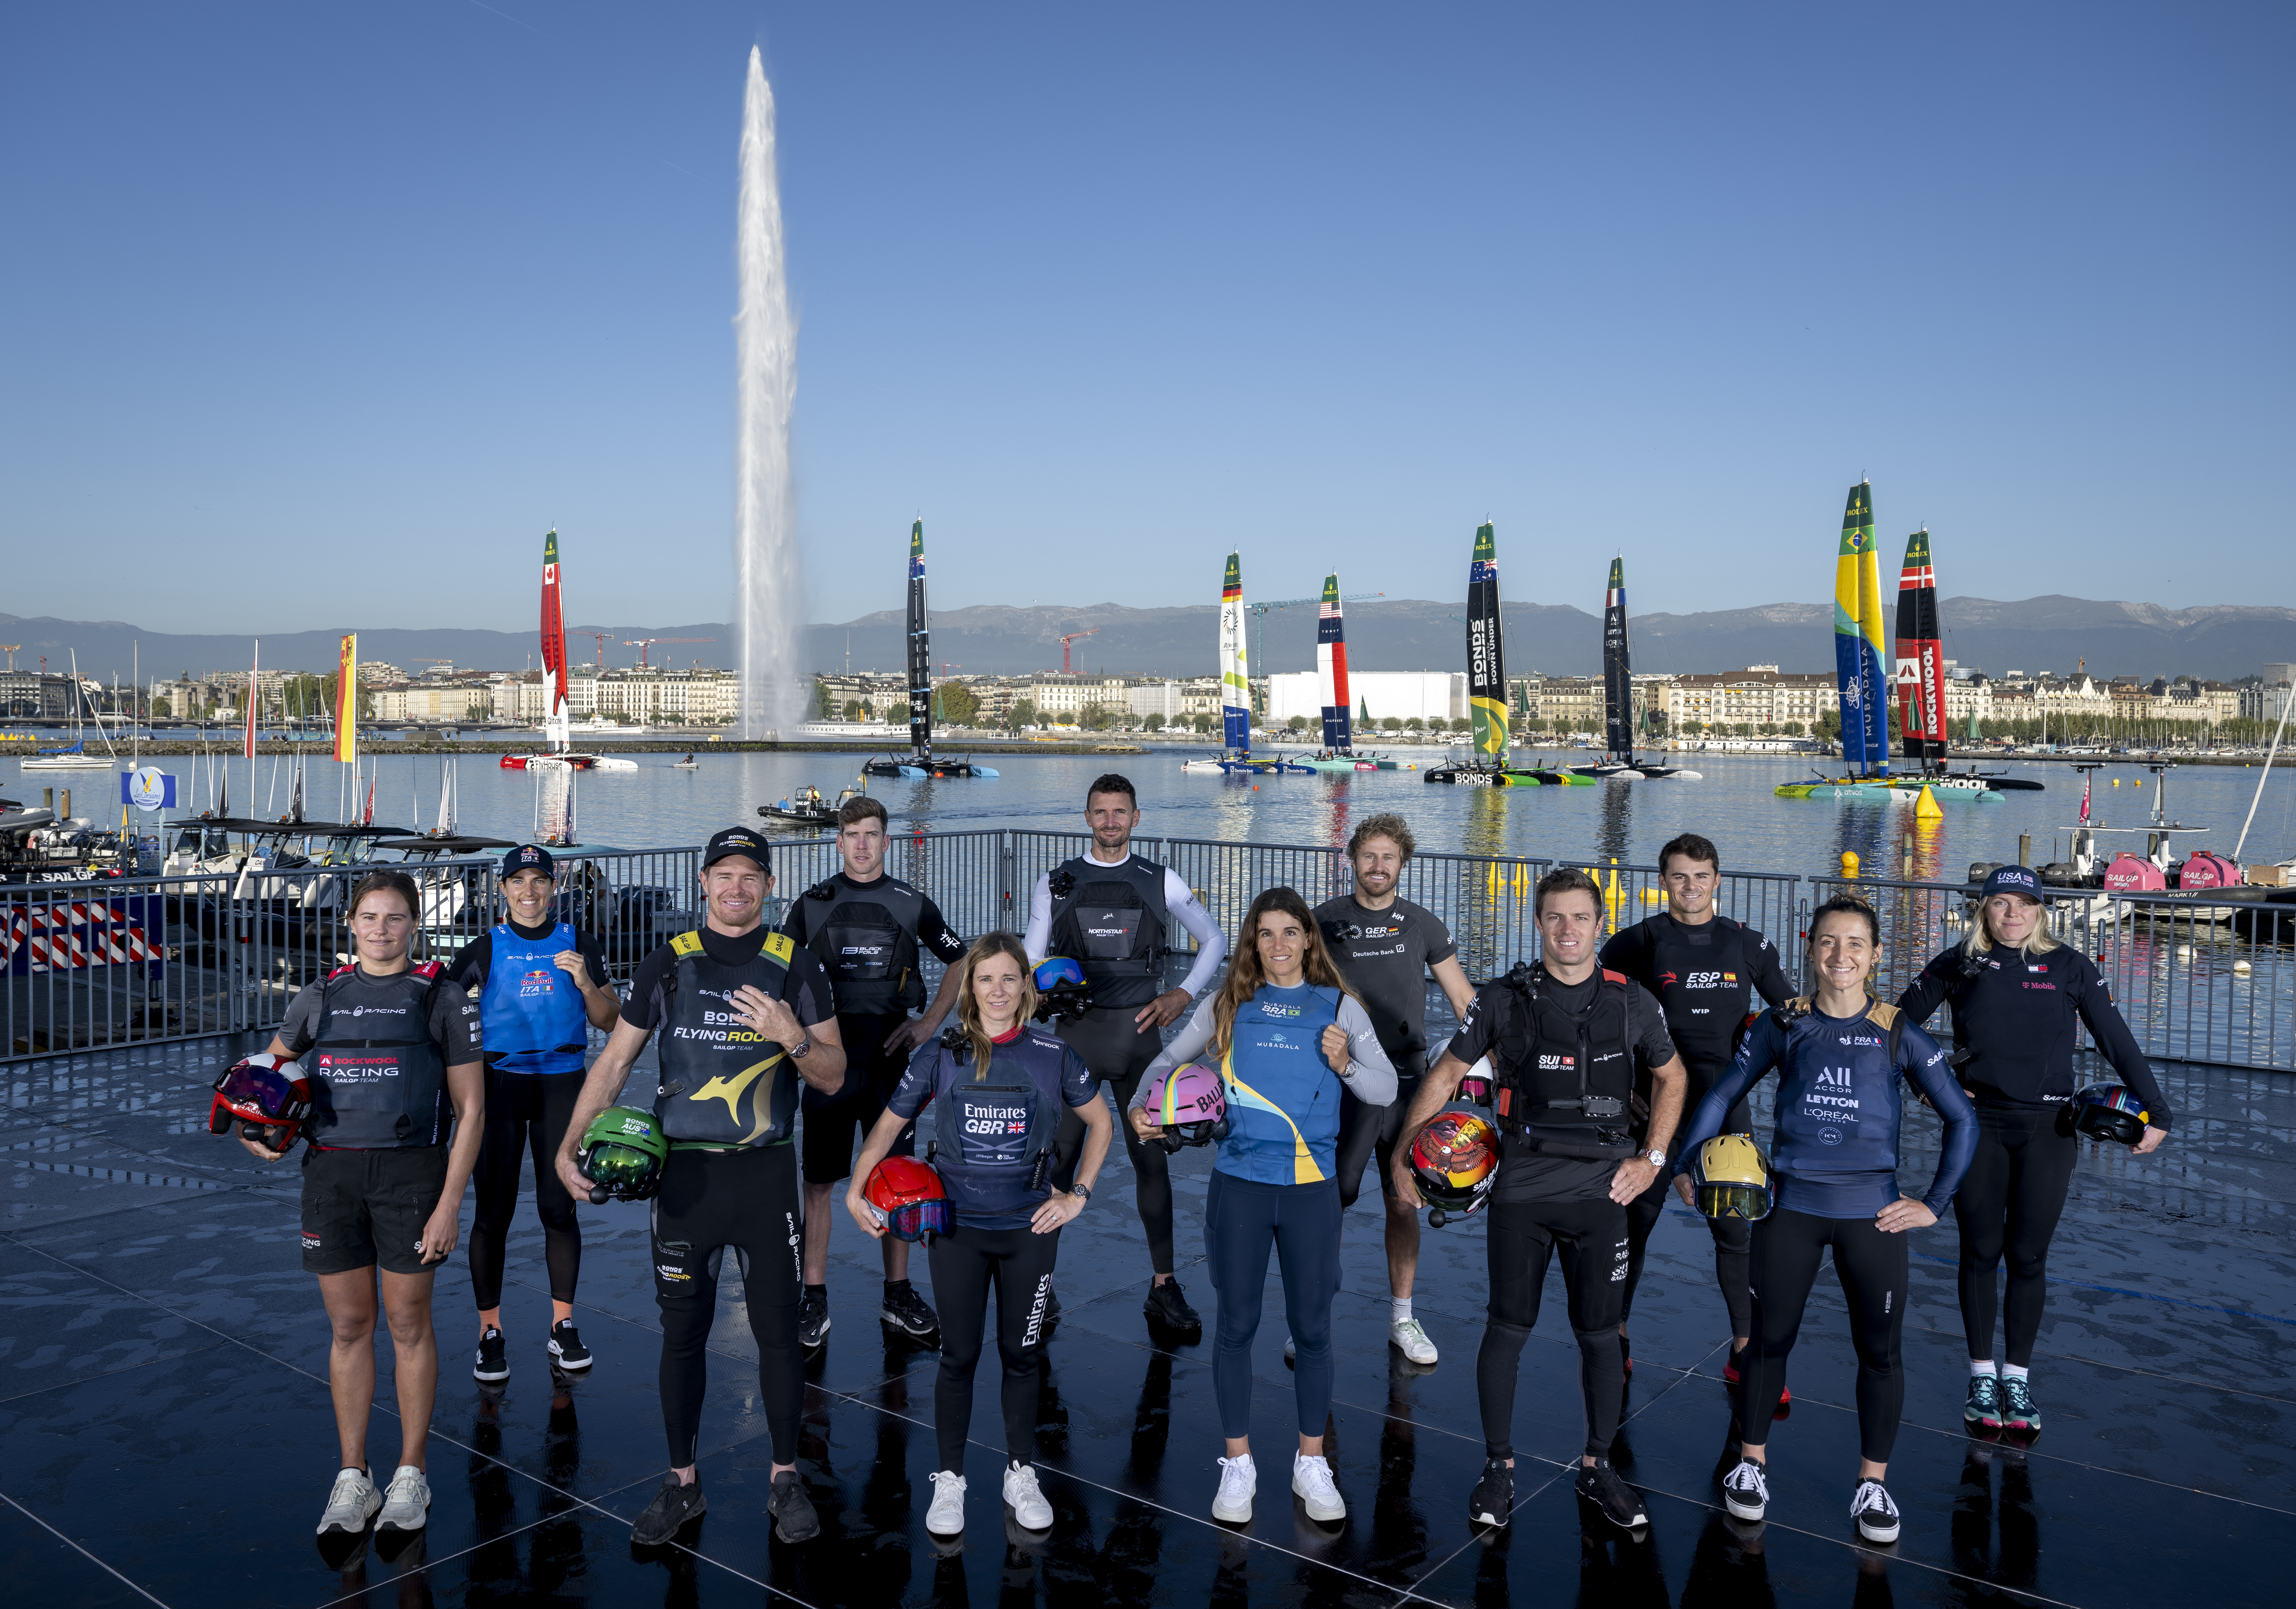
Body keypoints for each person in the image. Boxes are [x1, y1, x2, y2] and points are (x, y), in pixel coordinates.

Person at [552, 826, 848, 1547]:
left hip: (765, 1176)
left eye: (751, 875)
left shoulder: (796, 964)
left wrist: (791, 1035)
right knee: (682, 1332)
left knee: (778, 1333)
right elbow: (615, 1063)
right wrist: (569, 1145)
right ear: (704, 881)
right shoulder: (670, 961)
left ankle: (785, 1477)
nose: (736, 887)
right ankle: (682, 1482)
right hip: (686, 1180)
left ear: (769, 885)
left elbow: (834, 1075)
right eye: (724, 874)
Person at [1394, 868, 1687, 1533]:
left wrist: (1651, 1160)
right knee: (1507, 1329)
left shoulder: (1632, 1001)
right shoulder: (1504, 999)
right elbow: (1446, 1072)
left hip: (1602, 1192)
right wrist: (1404, 1148)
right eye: (1554, 916)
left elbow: (1671, 1077)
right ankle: (1498, 1467)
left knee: (1600, 1337)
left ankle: (1598, 1466)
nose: (1567, 929)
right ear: (1538, 923)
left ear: (1599, 924)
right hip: (1522, 1189)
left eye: (1580, 917)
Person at [1683, 893, 1978, 1546]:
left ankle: (1873, 1483)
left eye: (1854, 944)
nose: (1840, 955)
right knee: (1767, 1342)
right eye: (1827, 941)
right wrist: (1686, 1163)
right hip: (1791, 1211)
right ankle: (1751, 1464)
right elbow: (1722, 1093)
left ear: (1875, 956)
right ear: (1810, 949)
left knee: (1880, 1353)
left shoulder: (1899, 1032)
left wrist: (1933, 1203)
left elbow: (1963, 1118)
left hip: (1873, 1218)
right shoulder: (1781, 1024)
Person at [1131, 886, 1395, 1525]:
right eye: (1265, 933)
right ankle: (1238, 1462)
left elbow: (1385, 1087)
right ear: (1252, 941)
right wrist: (1144, 1105)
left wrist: (1345, 1064)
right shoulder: (1228, 1003)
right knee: (1237, 1326)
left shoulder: (1339, 1006)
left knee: (1313, 1329)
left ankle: (1311, 1461)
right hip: (1240, 1187)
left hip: (1310, 1191)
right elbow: (1165, 1060)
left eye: (1290, 932)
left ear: (1308, 939)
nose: (1278, 945)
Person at [244, 869, 486, 1537]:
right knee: (350, 1327)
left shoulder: (442, 998)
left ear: (415, 924)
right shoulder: (320, 996)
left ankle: (411, 1471)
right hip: (333, 1177)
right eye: (370, 917)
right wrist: (253, 1126)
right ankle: (353, 1475)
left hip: (412, 1177)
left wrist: (449, 1203)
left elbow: (472, 1112)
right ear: (351, 922)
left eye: (395, 917)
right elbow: (270, 1075)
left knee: (408, 1324)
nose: (382, 929)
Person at [848, 932, 1113, 1538]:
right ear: (970, 986)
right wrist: (856, 1189)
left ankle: (1021, 1472)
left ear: (1025, 987)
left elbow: (1101, 1123)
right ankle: (950, 1479)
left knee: (1022, 1356)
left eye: (1009, 978)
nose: (998, 990)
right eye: (986, 978)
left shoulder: (1053, 1053)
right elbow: (888, 1126)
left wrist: (1078, 1195)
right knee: (958, 1356)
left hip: (1030, 1231)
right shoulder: (942, 1054)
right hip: (958, 1231)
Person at [1896, 865, 2172, 1436]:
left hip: (2049, 1130)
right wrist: (1928, 1086)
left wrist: (2157, 1109)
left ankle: (2017, 1379)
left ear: (2041, 911)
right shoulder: (1959, 963)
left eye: (2024, 903)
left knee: (2028, 1257)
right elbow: (1896, 1028)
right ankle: (1981, 1375)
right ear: (1984, 908)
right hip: (1977, 1127)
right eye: (2001, 902)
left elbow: (2116, 1038)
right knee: (1980, 1252)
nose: (2013, 913)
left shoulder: (2071, 966)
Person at [1024, 772, 1228, 1332]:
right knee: (1055, 1163)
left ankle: (1164, 1285)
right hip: (1075, 1042)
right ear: (1087, 817)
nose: (1110, 821)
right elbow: (1032, 958)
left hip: (1142, 1042)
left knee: (1151, 1163)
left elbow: (1215, 939)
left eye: (1120, 811)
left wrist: (1184, 993)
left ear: (1136, 818)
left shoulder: (1160, 880)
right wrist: (1037, 988)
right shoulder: (1056, 883)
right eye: (1101, 811)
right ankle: (1037, 1284)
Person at [1598, 832, 1792, 1386]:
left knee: (1735, 1231)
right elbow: (1597, 1019)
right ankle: (1617, 1334)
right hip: (1654, 1108)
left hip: (1725, 1111)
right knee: (1634, 1224)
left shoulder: (1747, 944)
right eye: (1680, 876)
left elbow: (1792, 1016)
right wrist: (1618, 1089)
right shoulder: (1636, 943)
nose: (1691, 886)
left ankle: (1744, 1347)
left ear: (1717, 880)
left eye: (1701, 876)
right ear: (1663, 881)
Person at [780, 796, 970, 1346]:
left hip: (891, 1061)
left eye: (871, 834)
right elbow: (778, 966)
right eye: (852, 834)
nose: (861, 844)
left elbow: (960, 958)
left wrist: (930, 1022)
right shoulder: (813, 904)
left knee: (899, 1177)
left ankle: (897, 1292)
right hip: (829, 1065)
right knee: (819, 1184)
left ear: (887, 841)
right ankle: (814, 1296)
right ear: (838, 841)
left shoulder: (912, 903)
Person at [447, 843, 620, 1383]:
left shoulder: (580, 943)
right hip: (499, 1085)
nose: (529, 891)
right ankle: (490, 1332)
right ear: (503, 889)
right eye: (518, 881)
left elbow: (610, 1019)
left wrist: (585, 982)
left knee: (559, 1209)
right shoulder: (484, 948)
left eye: (539, 880)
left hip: (562, 1084)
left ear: (553, 887)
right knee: (493, 1213)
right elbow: (443, 1018)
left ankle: (562, 1325)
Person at [1314, 812, 1476, 1365]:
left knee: (1404, 1203)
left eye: (1388, 857)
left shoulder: (1422, 924)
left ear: (1402, 863)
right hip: (1341, 1081)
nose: (1378, 866)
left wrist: (1499, 1064)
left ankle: (1402, 1318)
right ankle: (1314, 1319)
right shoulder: (1323, 921)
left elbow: (1464, 1000)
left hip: (1406, 1083)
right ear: (1353, 860)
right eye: (1369, 855)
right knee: (1329, 1203)